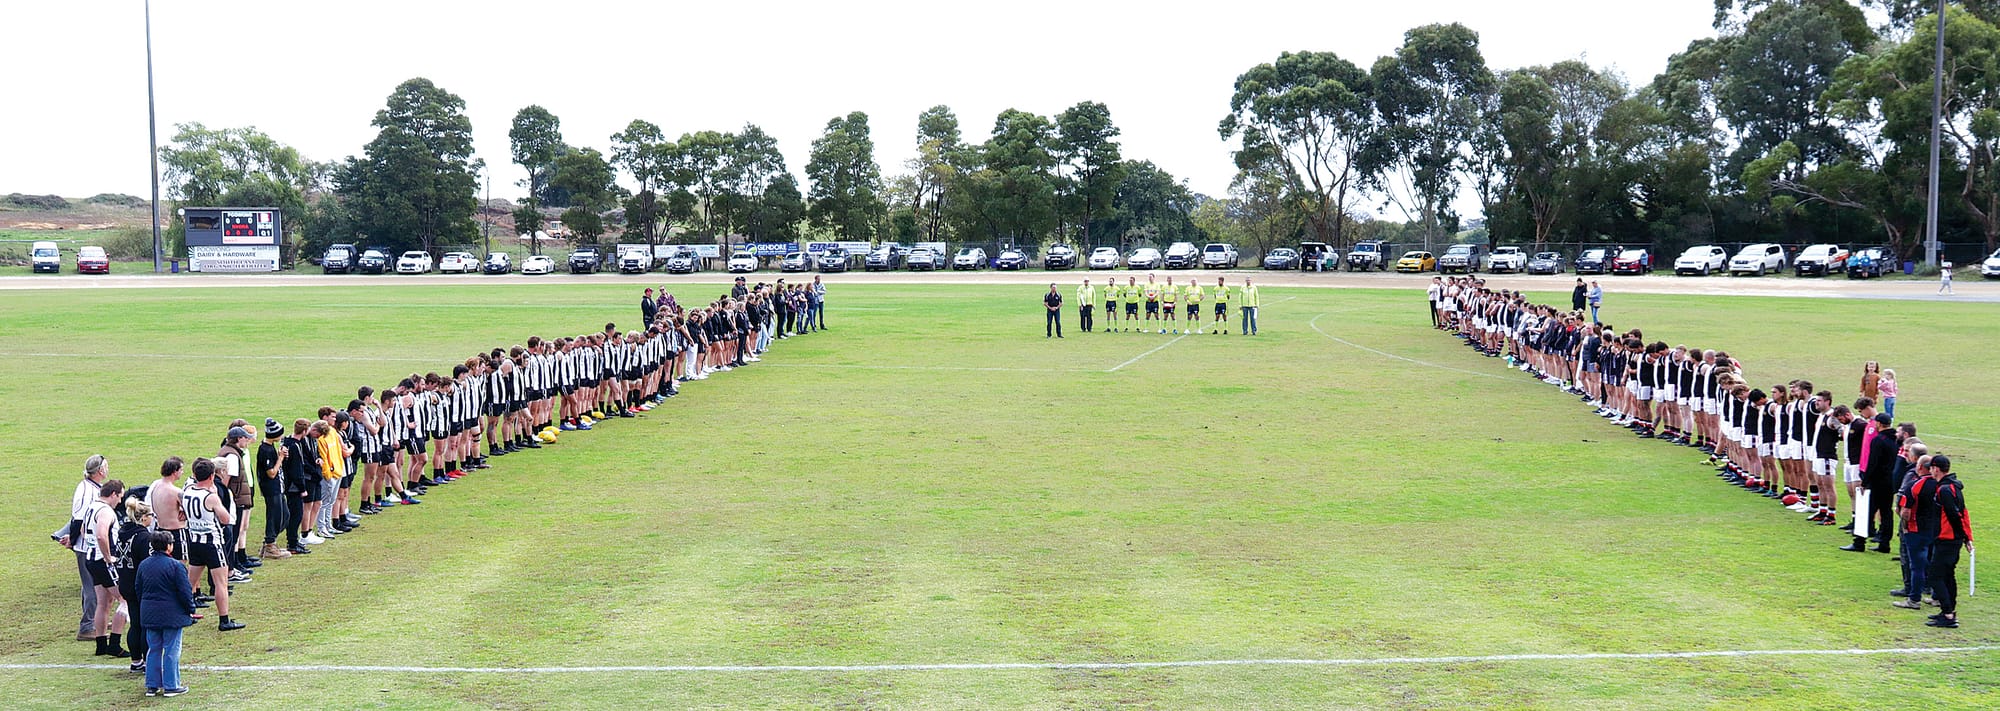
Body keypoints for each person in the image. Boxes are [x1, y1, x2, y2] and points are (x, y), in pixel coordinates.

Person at [182, 458, 245, 631]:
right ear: (212, 476)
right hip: (212, 543)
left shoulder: (187, 491)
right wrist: (215, 496)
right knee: (220, 583)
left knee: (190, 582)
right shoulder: (210, 497)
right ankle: (224, 620)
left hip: (194, 541)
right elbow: (225, 519)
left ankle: (185, 613)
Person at [138, 531, 195, 697]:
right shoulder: (176, 566)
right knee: (171, 649)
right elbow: (185, 592)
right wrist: (191, 609)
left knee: (153, 649)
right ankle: (171, 685)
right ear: (169, 546)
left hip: (150, 614)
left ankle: (152, 685)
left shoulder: (144, 565)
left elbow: (138, 589)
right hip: (172, 615)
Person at [76, 477, 126, 658]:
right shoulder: (105, 511)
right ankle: (115, 644)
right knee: (125, 599)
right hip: (103, 562)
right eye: (120, 496)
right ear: (113, 494)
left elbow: (83, 530)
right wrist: (107, 556)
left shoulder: (92, 507)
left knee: (104, 602)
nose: (120, 501)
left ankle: (101, 644)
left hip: (91, 559)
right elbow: (101, 535)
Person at [65, 454, 110, 642]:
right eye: (105, 466)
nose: (107, 469)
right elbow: (77, 520)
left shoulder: (89, 487)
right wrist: (72, 540)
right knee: (92, 586)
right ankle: (87, 627)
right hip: (87, 547)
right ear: (99, 470)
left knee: (94, 585)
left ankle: (96, 618)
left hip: (88, 545)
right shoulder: (87, 492)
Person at [1926, 454, 1971, 628]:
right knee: (1947, 575)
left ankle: (1948, 614)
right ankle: (1949, 610)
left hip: (1947, 539)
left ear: (1936, 469)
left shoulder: (1944, 490)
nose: (1930, 471)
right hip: (1953, 539)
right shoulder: (1953, 487)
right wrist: (1966, 537)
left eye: (1931, 468)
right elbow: (1963, 513)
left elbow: (1954, 515)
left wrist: (1963, 536)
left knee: (1935, 576)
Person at [112, 500, 154, 671]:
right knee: (145, 625)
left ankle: (136, 661)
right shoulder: (144, 537)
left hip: (126, 583)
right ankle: (148, 661)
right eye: (151, 515)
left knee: (135, 624)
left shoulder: (123, 532)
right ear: (143, 518)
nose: (152, 518)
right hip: (140, 585)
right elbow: (148, 563)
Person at [255, 419, 290, 560]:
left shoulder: (271, 447)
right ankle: (270, 544)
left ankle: (269, 542)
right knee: (274, 516)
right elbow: (271, 473)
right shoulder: (265, 450)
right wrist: (280, 458)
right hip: (271, 488)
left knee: (285, 515)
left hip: (278, 487)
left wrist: (281, 456)